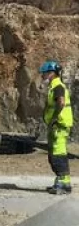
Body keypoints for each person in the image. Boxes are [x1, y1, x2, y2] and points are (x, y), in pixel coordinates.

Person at [39, 60, 73, 195]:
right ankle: (62, 181)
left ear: (51, 73)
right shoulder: (54, 87)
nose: (42, 76)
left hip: (59, 125)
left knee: (58, 155)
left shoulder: (58, 87)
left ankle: (63, 184)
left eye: (44, 73)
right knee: (54, 154)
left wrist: (54, 118)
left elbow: (61, 102)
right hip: (56, 126)